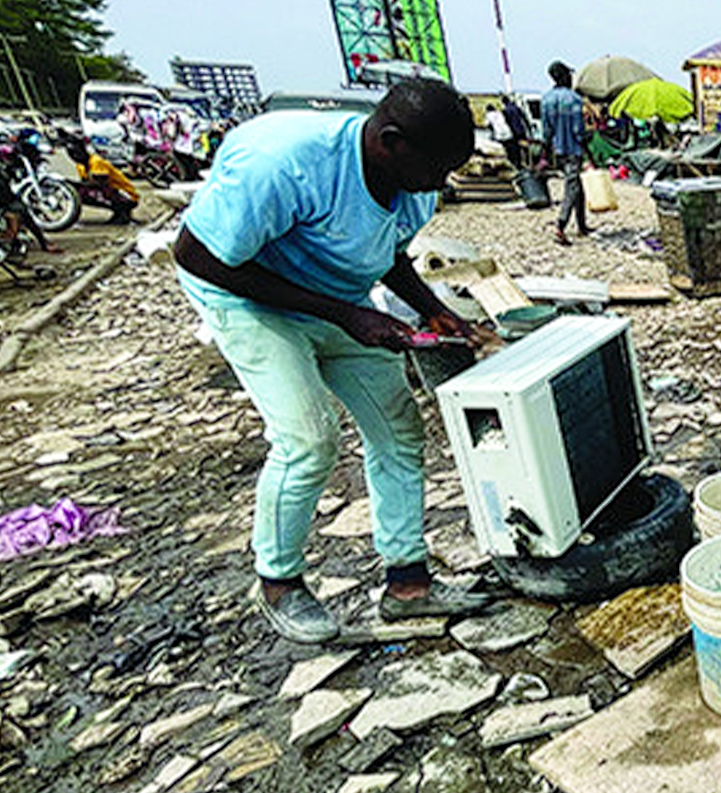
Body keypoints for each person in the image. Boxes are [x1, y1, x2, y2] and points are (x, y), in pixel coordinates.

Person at [172, 79, 498, 643]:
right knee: (309, 440)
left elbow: (388, 252)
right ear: (391, 142)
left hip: (337, 298)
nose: (441, 183)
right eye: (437, 168)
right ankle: (279, 583)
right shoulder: (283, 163)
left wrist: (433, 310)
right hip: (246, 296)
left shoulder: (414, 180)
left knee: (399, 430)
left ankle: (408, 584)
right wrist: (348, 316)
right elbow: (197, 255)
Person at [542, 61, 589, 246]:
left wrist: (545, 153)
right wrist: (587, 147)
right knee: (572, 187)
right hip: (573, 150)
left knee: (577, 185)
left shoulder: (547, 100)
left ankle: (582, 225)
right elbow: (578, 130)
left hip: (558, 150)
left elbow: (546, 131)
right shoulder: (574, 100)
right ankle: (560, 225)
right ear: (565, 77)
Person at [486, 100, 521, 168]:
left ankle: (508, 165)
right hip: (508, 133)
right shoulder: (499, 113)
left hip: (500, 135)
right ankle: (516, 164)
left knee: (504, 151)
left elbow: (487, 125)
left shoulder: (488, 115)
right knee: (512, 149)